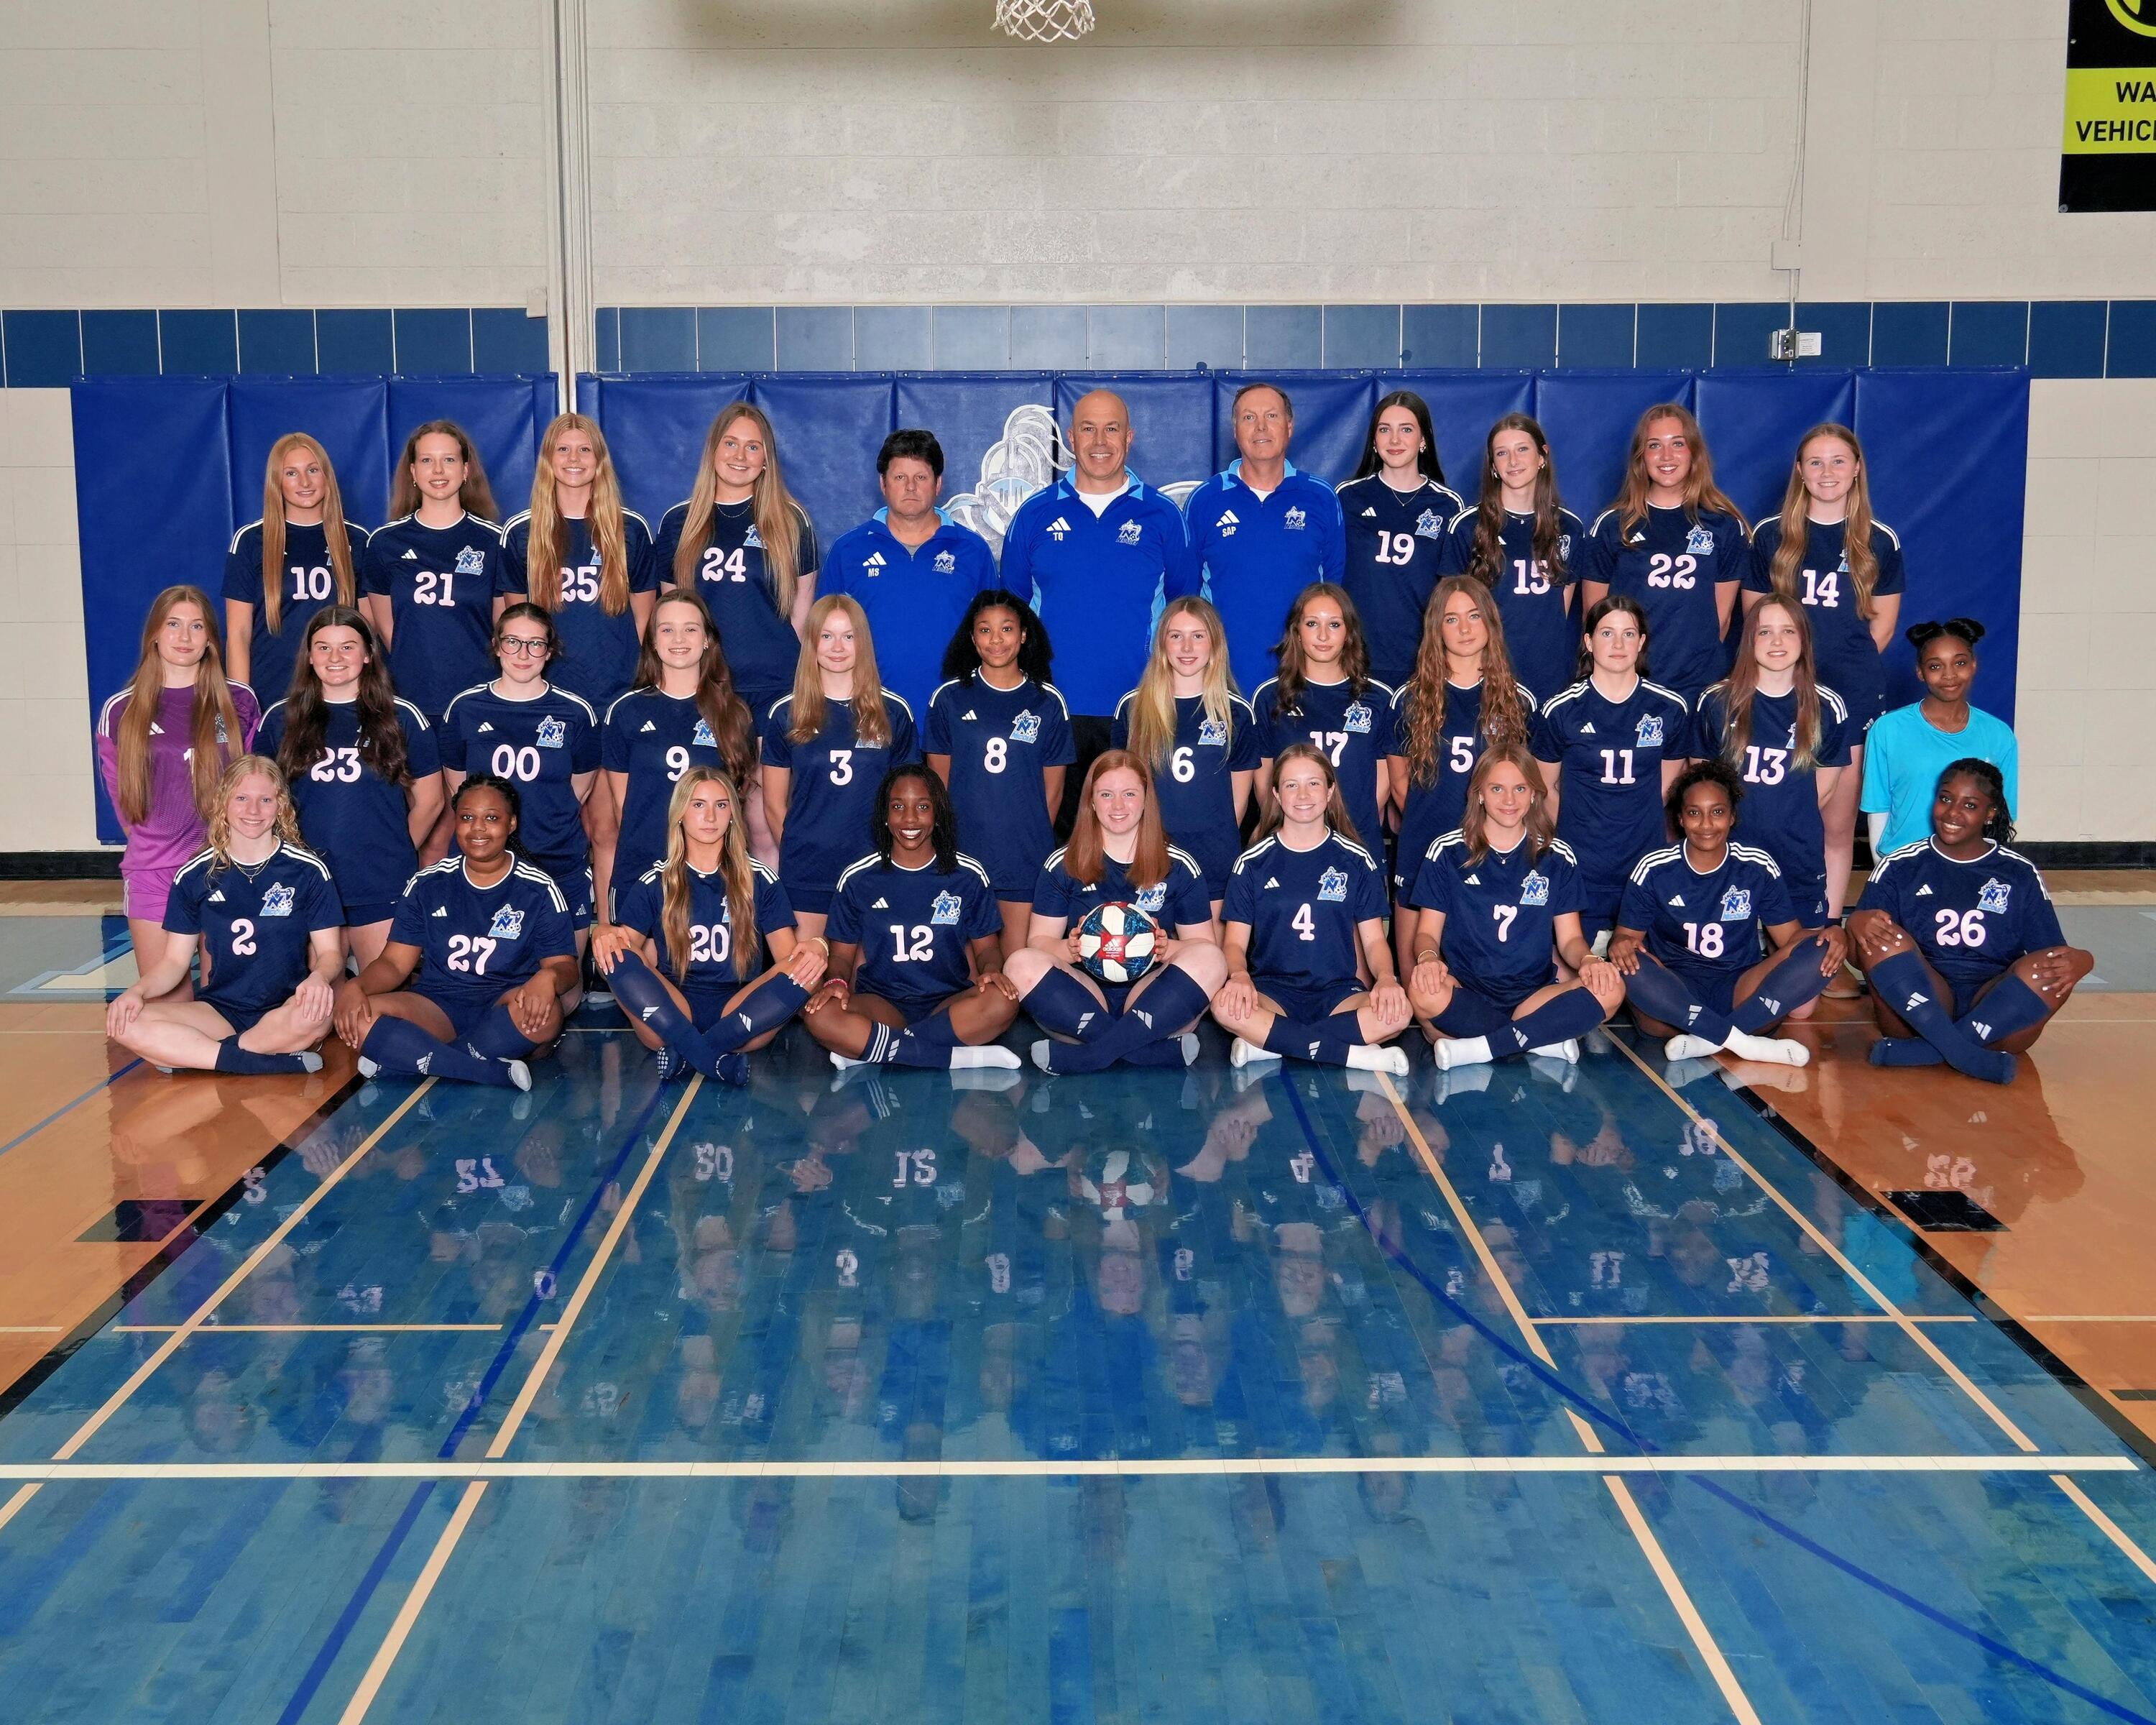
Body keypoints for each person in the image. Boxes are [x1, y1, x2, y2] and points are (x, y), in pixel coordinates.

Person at [998, 389, 1197, 816]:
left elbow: (1184, 608)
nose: (1100, 441)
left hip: (1140, 706)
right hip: (1054, 705)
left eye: (1112, 429)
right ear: (1070, 437)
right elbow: (1012, 613)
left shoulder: (1162, 516)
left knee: (1138, 838)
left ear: (1130, 437)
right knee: (1062, 838)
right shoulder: (1034, 514)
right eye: (1088, 428)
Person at [1744, 423, 1903, 920]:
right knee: (1761, 820)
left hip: (1850, 696)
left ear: (1857, 469)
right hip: (1775, 695)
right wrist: (1786, 680)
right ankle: (1750, 930)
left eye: (1839, 461)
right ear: (1799, 471)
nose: (1827, 472)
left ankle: (1826, 931)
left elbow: (1880, 629)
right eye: (1815, 462)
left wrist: (1830, 686)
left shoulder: (1879, 540)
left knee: (1834, 826)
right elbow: (1755, 622)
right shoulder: (1771, 535)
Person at [502, 413, 656, 926]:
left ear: (600, 461)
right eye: (563, 450)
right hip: (548, 702)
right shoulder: (522, 533)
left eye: (584, 450)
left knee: (609, 827)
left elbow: (642, 626)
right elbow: (518, 625)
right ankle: (542, 934)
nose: (574, 460)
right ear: (547, 460)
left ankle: (608, 940)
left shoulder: (629, 530)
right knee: (543, 824)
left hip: (614, 697)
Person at [1850, 760, 2091, 1084]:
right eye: (1946, 799)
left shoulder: (2018, 872)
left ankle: (1930, 1051)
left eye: (1971, 805)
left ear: (1990, 814)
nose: (1952, 813)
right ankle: (1964, 1054)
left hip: (1996, 1008)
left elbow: (2050, 954)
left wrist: (2084, 961)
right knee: (1881, 937)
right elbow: (1859, 956)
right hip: (1915, 1006)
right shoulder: (1900, 865)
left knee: (2051, 968)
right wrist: (1855, 925)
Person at [333, 776, 577, 1090]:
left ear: (512, 824)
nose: (478, 828)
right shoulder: (427, 883)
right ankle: (482, 1070)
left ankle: (412, 1058)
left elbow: (565, 966)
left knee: (547, 1016)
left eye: (492, 818)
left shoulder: (538, 888)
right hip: (437, 1006)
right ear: (456, 821)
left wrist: (550, 977)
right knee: (359, 1018)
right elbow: (394, 964)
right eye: (467, 817)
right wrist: (358, 986)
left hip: (503, 1006)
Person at [106, 756, 342, 1076]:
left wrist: (318, 978)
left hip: (287, 1007)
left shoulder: (308, 870)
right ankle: (252, 1059)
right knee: (124, 1024)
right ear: (224, 803)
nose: (253, 810)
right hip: (220, 1011)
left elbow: (330, 954)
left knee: (316, 1016)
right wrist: (137, 992)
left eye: (266, 800)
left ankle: (201, 1055)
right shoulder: (195, 875)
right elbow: (174, 963)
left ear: (281, 806)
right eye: (242, 798)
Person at [595, 765, 826, 1085]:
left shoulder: (760, 879)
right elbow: (624, 951)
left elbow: (788, 961)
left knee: (808, 967)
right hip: (668, 1009)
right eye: (698, 804)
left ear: (733, 813)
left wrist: (818, 948)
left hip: (741, 1009)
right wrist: (605, 932)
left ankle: (692, 1053)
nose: (710, 817)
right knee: (612, 950)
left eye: (721, 805)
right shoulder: (655, 881)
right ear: (680, 814)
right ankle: (711, 1058)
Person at [1003, 751, 1227, 1073]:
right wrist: (1070, 948)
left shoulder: (1178, 865)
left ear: (1146, 800)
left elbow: (1203, 948)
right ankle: (1146, 1052)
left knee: (1212, 959)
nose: (1118, 806)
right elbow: (1039, 943)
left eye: (1129, 794)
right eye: (1106, 795)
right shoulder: (1063, 864)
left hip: (1153, 996)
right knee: (1019, 962)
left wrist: (1166, 948)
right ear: (1091, 802)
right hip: (1083, 998)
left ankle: (1093, 1055)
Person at [1403, 745, 1625, 1070]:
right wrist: (1427, 960)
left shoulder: (1556, 856)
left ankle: (1484, 1047)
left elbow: (1570, 941)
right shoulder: (1447, 851)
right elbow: (1426, 934)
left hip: (1534, 998)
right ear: (1478, 794)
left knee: (1612, 986)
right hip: (1468, 993)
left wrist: (1590, 960)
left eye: (1520, 788)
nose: (1510, 800)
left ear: (1534, 794)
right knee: (1423, 991)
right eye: (1497, 789)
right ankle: (1536, 1040)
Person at [1610, 761, 1844, 1067]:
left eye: (1717, 812)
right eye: (1694, 813)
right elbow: (1627, 938)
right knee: (1629, 964)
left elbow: (1791, 939)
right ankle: (1742, 1043)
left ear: (1733, 817)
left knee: (1823, 948)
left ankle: (1705, 1039)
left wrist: (1830, 934)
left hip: (1740, 990)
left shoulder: (1756, 865)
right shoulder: (1654, 867)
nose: (1706, 824)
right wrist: (1621, 943)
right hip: (1673, 994)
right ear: (1680, 818)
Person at [801, 765, 1023, 1072]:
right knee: (818, 1013)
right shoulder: (858, 878)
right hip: (881, 1004)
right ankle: (953, 1056)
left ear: (938, 813)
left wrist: (991, 970)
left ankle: (878, 1048)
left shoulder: (968, 876)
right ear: (885, 814)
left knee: (1004, 1000)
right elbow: (841, 957)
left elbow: (987, 949)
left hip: (949, 1003)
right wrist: (837, 983)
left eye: (922, 806)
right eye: (898, 807)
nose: (909, 819)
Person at [258, 605, 444, 967]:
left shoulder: (401, 715)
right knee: (315, 1003)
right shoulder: (281, 719)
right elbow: (261, 801)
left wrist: (395, 851)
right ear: (309, 657)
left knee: (378, 999)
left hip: (379, 881)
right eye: (324, 647)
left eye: (348, 646)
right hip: (306, 880)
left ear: (369, 654)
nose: (335, 657)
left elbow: (432, 801)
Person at [1211, 743, 1411, 1073]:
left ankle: (1272, 1045)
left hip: (1338, 993)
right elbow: (1233, 944)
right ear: (1276, 794)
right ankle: (1351, 1054)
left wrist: (1387, 979)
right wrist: (1239, 976)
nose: (1303, 794)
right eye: (1291, 785)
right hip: (1272, 992)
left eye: (1313, 783)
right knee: (1224, 1006)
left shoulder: (1357, 860)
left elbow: (1375, 942)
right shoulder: (1252, 863)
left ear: (1330, 791)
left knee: (1399, 1011)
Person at [97, 584, 262, 973]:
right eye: (173, 624)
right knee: (164, 1000)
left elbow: (256, 790)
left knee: (226, 999)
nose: (184, 637)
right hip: (154, 871)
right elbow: (125, 804)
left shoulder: (239, 702)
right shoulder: (121, 710)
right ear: (154, 633)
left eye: (197, 626)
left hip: (226, 865)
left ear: (210, 639)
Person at [1387, 577, 1537, 977]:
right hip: (1425, 841)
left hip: (1492, 848)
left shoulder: (1518, 700)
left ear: (1491, 622)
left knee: (1484, 975)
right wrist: (1439, 831)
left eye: (1474, 617)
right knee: (1416, 980)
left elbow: (1526, 784)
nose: (1465, 629)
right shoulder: (1410, 699)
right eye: (1451, 619)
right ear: (1436, 627)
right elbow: (1400, 783)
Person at [1531, 595, 1691, 942]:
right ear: (1588, 642)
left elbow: (1664, 789)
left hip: (1643, 860)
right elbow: (1543, 790)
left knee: (1641, 975)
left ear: (1642, 641)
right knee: (1573, 973)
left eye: (1628, 634)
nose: (1618, 644)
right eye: (1606, 633)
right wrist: (1577, 834)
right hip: (1580, 861)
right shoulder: (1560, 710)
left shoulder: (1669, 708)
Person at [653, 402, 819, 736]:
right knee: (710, 787)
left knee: (766, 788)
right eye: (730, 443)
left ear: (766, 460)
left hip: (775, 685)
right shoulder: (678, 523)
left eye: (752, 447)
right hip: (705, 684)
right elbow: (671, 620)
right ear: (713, 450)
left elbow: (802, 619)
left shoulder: (791, 521)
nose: (740, 456)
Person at [761, 595, 920, 939]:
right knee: (807, 981)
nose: (837, 647)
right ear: (812, 642)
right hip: (807, 871)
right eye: (827, 636)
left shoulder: (893, 712)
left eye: (848, 636)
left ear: (863, 642)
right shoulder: (785, 714)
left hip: (874, 867)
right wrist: (800, 851)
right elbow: (774, 804)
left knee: (866, 984)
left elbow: (909, 803)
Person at [926, 589, 1074, 957]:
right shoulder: (948, 698)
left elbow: (1052, 793)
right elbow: (938, 786)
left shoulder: (1047, 701)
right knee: (966, 976)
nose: (996, 640)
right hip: (964, 853)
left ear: (1024, 634)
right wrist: (945, 849)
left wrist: (1030, 842)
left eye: (1006, 629)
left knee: (1018, 969)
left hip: (1024, 856)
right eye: (985, 630)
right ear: (972, 637)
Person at [438, 604, 602, 938]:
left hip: (556, 859)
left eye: (535, 644)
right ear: (497, 646)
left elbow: (579, 790)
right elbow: (460, 792)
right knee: (488, 978)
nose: (523, 653)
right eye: (512, 642)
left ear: (549, 651)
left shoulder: (576, 712)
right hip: (484, 863)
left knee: (565, 982)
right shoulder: (465, 708)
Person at [1690, 598, 1849, 931]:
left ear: (1804, 640)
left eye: (1788, 631)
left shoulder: (1828, 707)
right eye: (1765, 632)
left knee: (1809, 971)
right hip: (1728, 857)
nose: (1777, 642)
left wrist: (1781, 815)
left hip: (1796, 858)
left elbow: (1821, 791)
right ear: (1750, 641)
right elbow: (1701, 788)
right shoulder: (1716, 702)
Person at [819, 429, 998, 717]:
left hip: (956, 714)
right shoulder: (848, 551)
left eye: (921, 477)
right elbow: (821, 636)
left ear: (938, 484)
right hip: (869, 713)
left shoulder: (972, 551)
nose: (911, 487)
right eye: (900, 477)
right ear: (883, 484)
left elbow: (994, 636)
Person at [1184, 382, 1348, 693]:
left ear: (1289, 427)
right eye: (1248, 418)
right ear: (1235, 430)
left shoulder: (1320, 498)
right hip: (1223, 681)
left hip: (1302, 679)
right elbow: (1188, 598)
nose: (1260, 426)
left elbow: (1333, 591)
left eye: (1271, 416)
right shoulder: (1206, 500)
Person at [1578, 404, 1749, 704]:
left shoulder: (1724, 526)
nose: (1666, 456)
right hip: (1629, 683)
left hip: (1698, 683)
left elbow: (1720, 621)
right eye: (1654, 445)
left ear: (1694, 453)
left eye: (1678, 444)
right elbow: (1595, 618)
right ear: (1640, 458)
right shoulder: (1613, 525)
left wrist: (1692, 673)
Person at [359, 420, 513, 726]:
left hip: (478, 696)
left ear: (466, 470)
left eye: (449, 460)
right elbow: (385, 628)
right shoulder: (385, 543)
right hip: (409, 698)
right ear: (414, 472)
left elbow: (503, 626)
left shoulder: (495, 541)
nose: (439, 471)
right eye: (427, 460)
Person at [603, 590, 760, 887]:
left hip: (714, 871)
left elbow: (737, 799)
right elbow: (624, 805)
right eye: (667, 630)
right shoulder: (625, 711)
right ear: (652, 640)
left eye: (690, 629)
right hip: (643, 868)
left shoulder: (735, 713)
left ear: (706, 640)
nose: (679, 639)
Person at [1112, 597, 1258, 915]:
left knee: (1212, 959)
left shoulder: (1236, 712)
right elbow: (1120, 791)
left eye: (1198, 636)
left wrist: (1216, 844)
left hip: (1214, 855)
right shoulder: (1133, 709)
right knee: (1144, 954)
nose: (1187, 647)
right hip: (1148, 852)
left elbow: (1237, 803)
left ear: (1215, 644)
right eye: (1176, 636)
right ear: (1162, 644)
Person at [1250, 583, 1393, 872]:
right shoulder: (1269, 698)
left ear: (1349, 633)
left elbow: (1382, 783)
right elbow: (1265, 786)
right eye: (1312, 623)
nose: (1324, 635)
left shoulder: (1378, 698)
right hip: (1290, 843)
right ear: (1297, 632)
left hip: (1358, 844)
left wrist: (1348, 825)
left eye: (1335, 624)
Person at [1446, 413, 1585, 704]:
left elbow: (1560, 612)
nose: (1513, 461)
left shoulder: (1570, 528)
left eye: (1522, 449)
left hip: (1549, 676)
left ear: (1542, 456)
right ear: (1493, 465)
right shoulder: (1468, 526)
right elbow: (1449, 614)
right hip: (1487, 673)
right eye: (1502, 453)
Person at [222, 433, 364, 702]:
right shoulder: (252, 541)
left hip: (340, 694)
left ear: (327, 477)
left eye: (313, 470)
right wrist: (242, 705)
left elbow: (369, 630)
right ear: (277, 482)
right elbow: (238, 635)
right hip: (272, 692)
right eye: (291, 473)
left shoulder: (357, 540)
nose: (305, 482)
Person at [1334, 390, 1461, 687]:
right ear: (1374, 442)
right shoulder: (1347, 497)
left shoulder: (1449, 505)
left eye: (1406, 430)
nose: (1394, 440)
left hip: (1421, 660)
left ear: (1423, 440)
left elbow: (1452, 593)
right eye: (1384, 430)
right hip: (1355, 657)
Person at [1862, 618, 2019, 858]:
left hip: (1969, 867)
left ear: (1974, 664)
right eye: (1936, 666)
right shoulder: (1888, 729)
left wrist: (1989, 868)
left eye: (1960, 663)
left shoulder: (1998, 735)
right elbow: (1878, 809)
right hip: (1904, 865)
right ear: (1920, 672)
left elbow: (2002, 816)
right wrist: (1882, 870)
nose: (1949, 675)